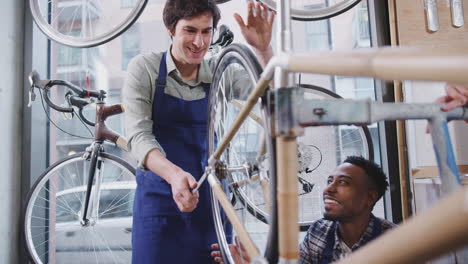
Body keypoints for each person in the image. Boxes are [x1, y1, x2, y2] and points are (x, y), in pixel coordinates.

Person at [123, 0, 275, 263]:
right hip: (159, 202)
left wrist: (263, 50)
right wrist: (173, 175)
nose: (199, 42)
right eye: (190, 31)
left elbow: (269, 97)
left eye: (207, 31)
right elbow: (138, 136)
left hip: (212, 205)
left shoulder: (220, 70)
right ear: (170, 29)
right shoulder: (144, 68)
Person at [211, 156, 396, 264]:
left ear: (370, 197)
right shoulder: (319, 232)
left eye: (343, 182)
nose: (328, 189)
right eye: (329, 181)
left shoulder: (394, 239)